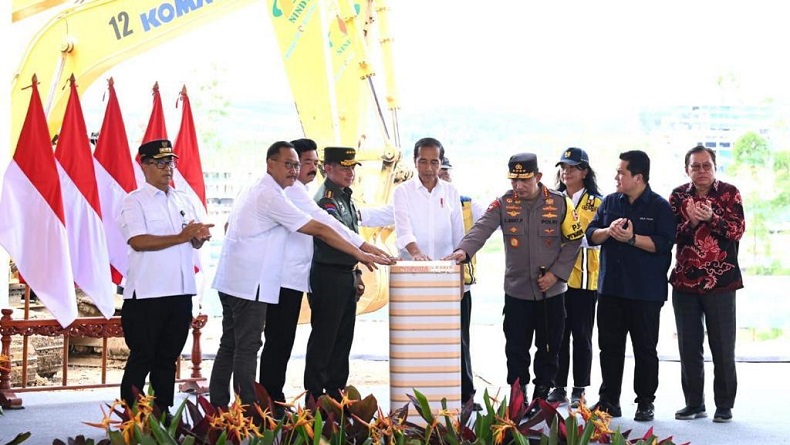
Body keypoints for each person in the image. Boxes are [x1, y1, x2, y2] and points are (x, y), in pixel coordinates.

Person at [210, 141, 389, 409]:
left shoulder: (274, 189)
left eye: (298, 164)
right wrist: (359, 252)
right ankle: (250, 411)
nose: (295, 171)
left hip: (246, 280)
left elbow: (324, 222)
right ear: (271, 163)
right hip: (252, 282)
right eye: (290, 164)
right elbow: (320, 227)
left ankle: (224, 407)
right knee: (248, 347)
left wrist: (361, 246)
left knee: (234, 345)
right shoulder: (273, 194)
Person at [445, 153, 583, 411]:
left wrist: (556, 275)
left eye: (524, 180)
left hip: (550, 293)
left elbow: (574, 240)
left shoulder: (559, 201)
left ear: (538, 177)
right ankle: (519, 398)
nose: (518, 186)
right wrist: (463, 251)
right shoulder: (503, 204)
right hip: (517, 293)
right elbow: (481, 228)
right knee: (516, 349)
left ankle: (542, 398)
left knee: (549, 347)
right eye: (514, 180)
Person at [117, 139, 213, 413]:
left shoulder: (182, 199)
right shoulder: (134, 201)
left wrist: (198, 238)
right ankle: (132, 415)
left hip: (180, 291)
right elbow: (138, 241)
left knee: (168, 358)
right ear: (144, 166)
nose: (167, 168)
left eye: (170, 162)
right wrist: (182, 236)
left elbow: (189, 238)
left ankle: (162, 412)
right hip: (148, 293)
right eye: (159, 163)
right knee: (142, 357)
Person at [586, 150, 675, 422]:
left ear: (638, 177)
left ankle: (645, 402)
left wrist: (632, 238)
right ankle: (608, 400)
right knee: (609, 348)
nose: (616, 177)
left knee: (644, 349)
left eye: (621, 172)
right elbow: (591, 235)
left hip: (645, 293)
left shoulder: (660, 207)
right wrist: (608, 231)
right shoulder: (611, 202)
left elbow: (663, 244)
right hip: (611, 289)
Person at [393, 138, 475, 406]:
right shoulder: (402, 192)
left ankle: (463, 396)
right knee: (417, 340)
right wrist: (416, 254)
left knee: (457, 340)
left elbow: (459, 236)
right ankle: (415, 397)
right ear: (414, 161)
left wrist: (460, 275)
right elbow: (403, 230)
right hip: (413, 279)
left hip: (447, 277)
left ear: (441, 163)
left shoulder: (451, 192)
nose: (429, 168)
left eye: (434, 162)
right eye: (423, 161)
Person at [669, 144, 744, 424]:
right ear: (687, 169)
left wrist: (712, 218)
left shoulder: (729, 193)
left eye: (706, 165)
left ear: (714, 167)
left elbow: (737, 230)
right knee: (689, 346)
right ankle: (694, 403)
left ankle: (724, 405)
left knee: (723, 346)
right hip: (685, 282)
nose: (701, 171)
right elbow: (669, 236)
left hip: (721, 282)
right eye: (695, 166)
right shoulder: (677, 196)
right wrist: (689, 222)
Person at [304, 146, 372, 402]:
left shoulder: (345, 196)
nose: (350, 172)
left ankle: (336, 392)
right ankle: (315, 394)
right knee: (325, 336)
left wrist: (356, 271)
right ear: (327, 168)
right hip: (328, 275)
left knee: (343, 338)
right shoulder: (327, 199)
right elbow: (336, 237)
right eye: (344, 167)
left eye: (352, 167)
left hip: (345, 274)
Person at [547, 147, 603, 408]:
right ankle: (558, 386)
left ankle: (579, 387)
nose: (566, 172)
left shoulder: (597, 202)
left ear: (584, 171)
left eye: (572, 167)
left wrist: (572, 237)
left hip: (584, 279)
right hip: (556, 279)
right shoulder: (551, 199)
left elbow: (594, 239)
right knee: (557, 335)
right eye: (563, 167)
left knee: (582, 335)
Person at [434, 153, 488, 410]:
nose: (444, 175)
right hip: (426, 284)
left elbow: (494, 222)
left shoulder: (465, 203)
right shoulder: (415, 200)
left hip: (458, 285)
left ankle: (466, 395)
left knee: (460, 339)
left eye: (446, 171)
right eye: (440, 170)